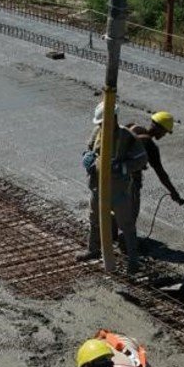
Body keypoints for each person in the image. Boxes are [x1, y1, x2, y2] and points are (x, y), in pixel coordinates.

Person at [79, 103, 149, 273]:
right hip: (97, 188)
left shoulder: (127, 137)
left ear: (114, 119)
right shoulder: (97, 133)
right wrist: (87, 158)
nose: (102, 126)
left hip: (118, 191)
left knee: (126, 225)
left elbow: (141, 160)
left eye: (104, 122)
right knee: (95, 220)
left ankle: (133, 261)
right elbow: (89, 150)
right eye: (100, 123)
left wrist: (123, 167)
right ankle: (93, 249)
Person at [129, 111, 184, 210]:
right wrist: (173, 192)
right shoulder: (150, 146)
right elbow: (161, 173)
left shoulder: (132, 128)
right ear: (159, 128)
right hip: (130, 183)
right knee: (130, 215)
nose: (164, 135)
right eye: (165, 131)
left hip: (114, 176)